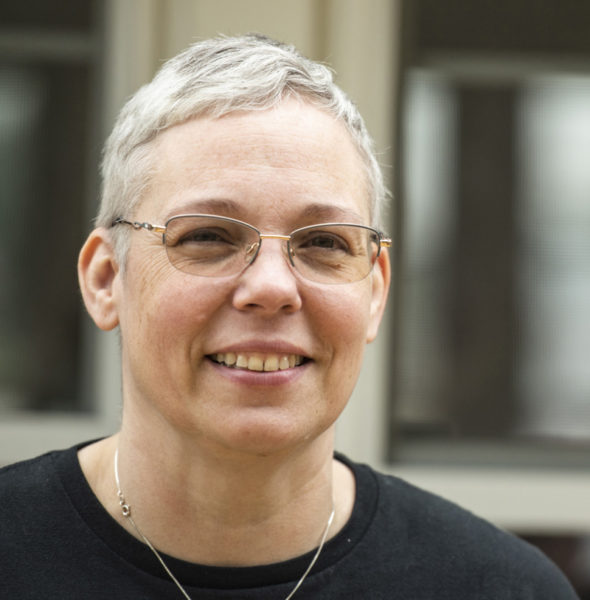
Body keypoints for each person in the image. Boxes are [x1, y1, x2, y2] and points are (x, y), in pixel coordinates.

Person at [0, 34, 579, 600]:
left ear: (375, 291)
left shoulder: (497, 587)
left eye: (324, 242)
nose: (272, 287)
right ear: (106, 279)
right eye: (208, 235)